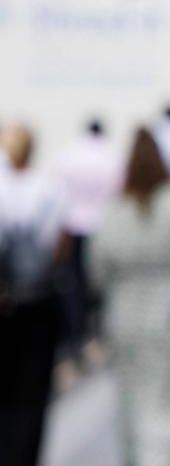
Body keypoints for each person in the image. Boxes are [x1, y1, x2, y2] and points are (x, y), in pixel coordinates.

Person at [89, 127, 170, 466]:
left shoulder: (114, 210)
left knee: (132, 407)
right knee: (168, 408)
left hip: (123, 316)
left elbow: (97, 268)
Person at [0, 125, 65, 466]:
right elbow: (59, 242)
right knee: (32, 394)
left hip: (7, 299)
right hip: (37, 298)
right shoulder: (46, 186)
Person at [54, 118, 122, 363]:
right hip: (102, 226)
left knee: (75, 283)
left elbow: (60, 191)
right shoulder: (111, 155)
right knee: (103, 283)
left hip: (75, 225)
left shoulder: (70, 154)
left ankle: (77, 334)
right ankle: (101, 332)